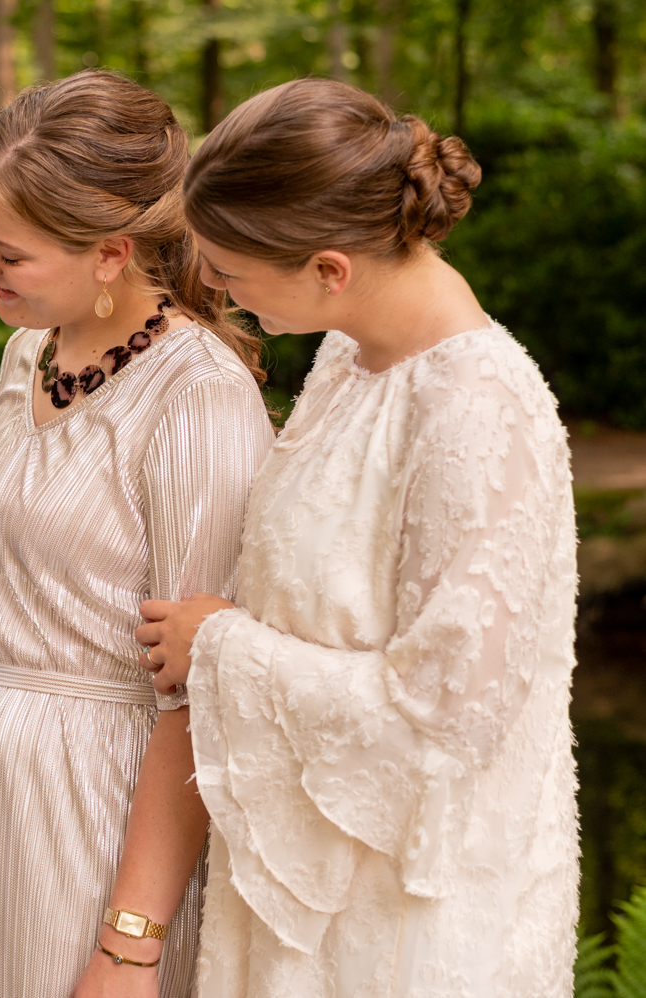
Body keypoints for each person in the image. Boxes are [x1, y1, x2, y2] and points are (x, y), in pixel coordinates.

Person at [138, 78, 580, 996]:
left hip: (413, 927)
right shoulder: (348, 357)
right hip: (310, 894)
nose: (212, 287)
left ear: (329, 269)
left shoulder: (477, 410)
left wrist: (217, 647)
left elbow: (444, 726)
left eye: (228, 270)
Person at [0, 70, 275, 998]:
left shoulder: (198, 398)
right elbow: (8, 598)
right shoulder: (25, 351)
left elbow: (198, 697)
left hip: (93, 816)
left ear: (111, 253)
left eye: (6, 251)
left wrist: (130, 944)